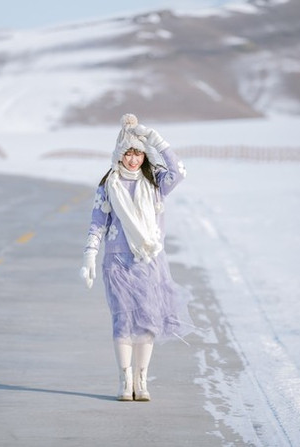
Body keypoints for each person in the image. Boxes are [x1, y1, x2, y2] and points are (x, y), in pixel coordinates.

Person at [80, 113, 194, 402]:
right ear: (120, 154)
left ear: (145, 155)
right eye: (129, 153)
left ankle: (141, 380)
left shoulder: (156, 183)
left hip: (150, 261)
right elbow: (98, 223)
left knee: (147, 322)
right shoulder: (109, 184)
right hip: (118, 262)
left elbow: (179, 171)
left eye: (139, 153)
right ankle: (125, 379)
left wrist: (156, 139)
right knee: (123, 321)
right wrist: (90, 255)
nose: (133, 159)